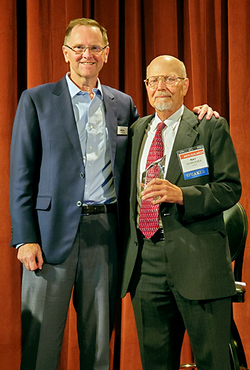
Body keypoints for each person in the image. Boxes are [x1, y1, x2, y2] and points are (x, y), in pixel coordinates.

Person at [9, 17, 217, 370]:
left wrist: (200, 114)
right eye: (79, 47)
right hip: (48, 238)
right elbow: (21, 175)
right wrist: (25, 238)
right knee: (41, 346)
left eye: (94, 48)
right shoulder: (37, 100)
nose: (86, 55)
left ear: (106, 54)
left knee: (99, 347)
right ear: (65, 53)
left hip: (106, 236)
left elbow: (158, 132)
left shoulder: (123, 104)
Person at [121, 55, 241, 370]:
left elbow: (230, 189)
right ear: (146, 87)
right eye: (154, 81)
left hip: (199, 260)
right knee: (156, 363)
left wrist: (182, 196)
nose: (162, 87)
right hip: (146, 266)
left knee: (214, 361)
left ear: (185, 84)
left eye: (170, 79)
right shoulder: (136, 131)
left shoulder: (208, 126)